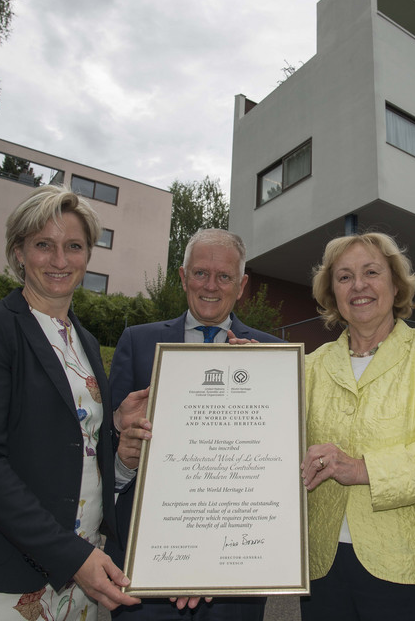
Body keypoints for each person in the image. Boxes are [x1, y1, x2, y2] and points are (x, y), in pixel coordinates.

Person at [105, 228, 283, 621]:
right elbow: (105, 451)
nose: (211, 286)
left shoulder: (273, 355)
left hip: (235, 578)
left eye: (224, 277)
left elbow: (278, 465)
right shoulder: (137, 343)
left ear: (241, 286)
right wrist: (123, 455)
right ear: (183, 276)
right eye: (200, 273)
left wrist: (270, 385)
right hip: (145, 572)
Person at [0, 185, 151, 620]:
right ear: (19, 252)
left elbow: (72, 440)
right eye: (44, 245)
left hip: (82, 573)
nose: (60, 260)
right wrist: (72, 556)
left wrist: (116, 433)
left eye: (74, 246)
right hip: (18, 577)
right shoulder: (0, 329)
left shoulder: (79, 338)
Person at [300, 231, 415, 621]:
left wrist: (362, 468)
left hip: (410, 567)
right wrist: (247, 376)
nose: (358, 285)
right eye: (344, 277)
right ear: (332, 292)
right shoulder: (307, 366)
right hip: (321, 569)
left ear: (395, 284)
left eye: (371, 272)